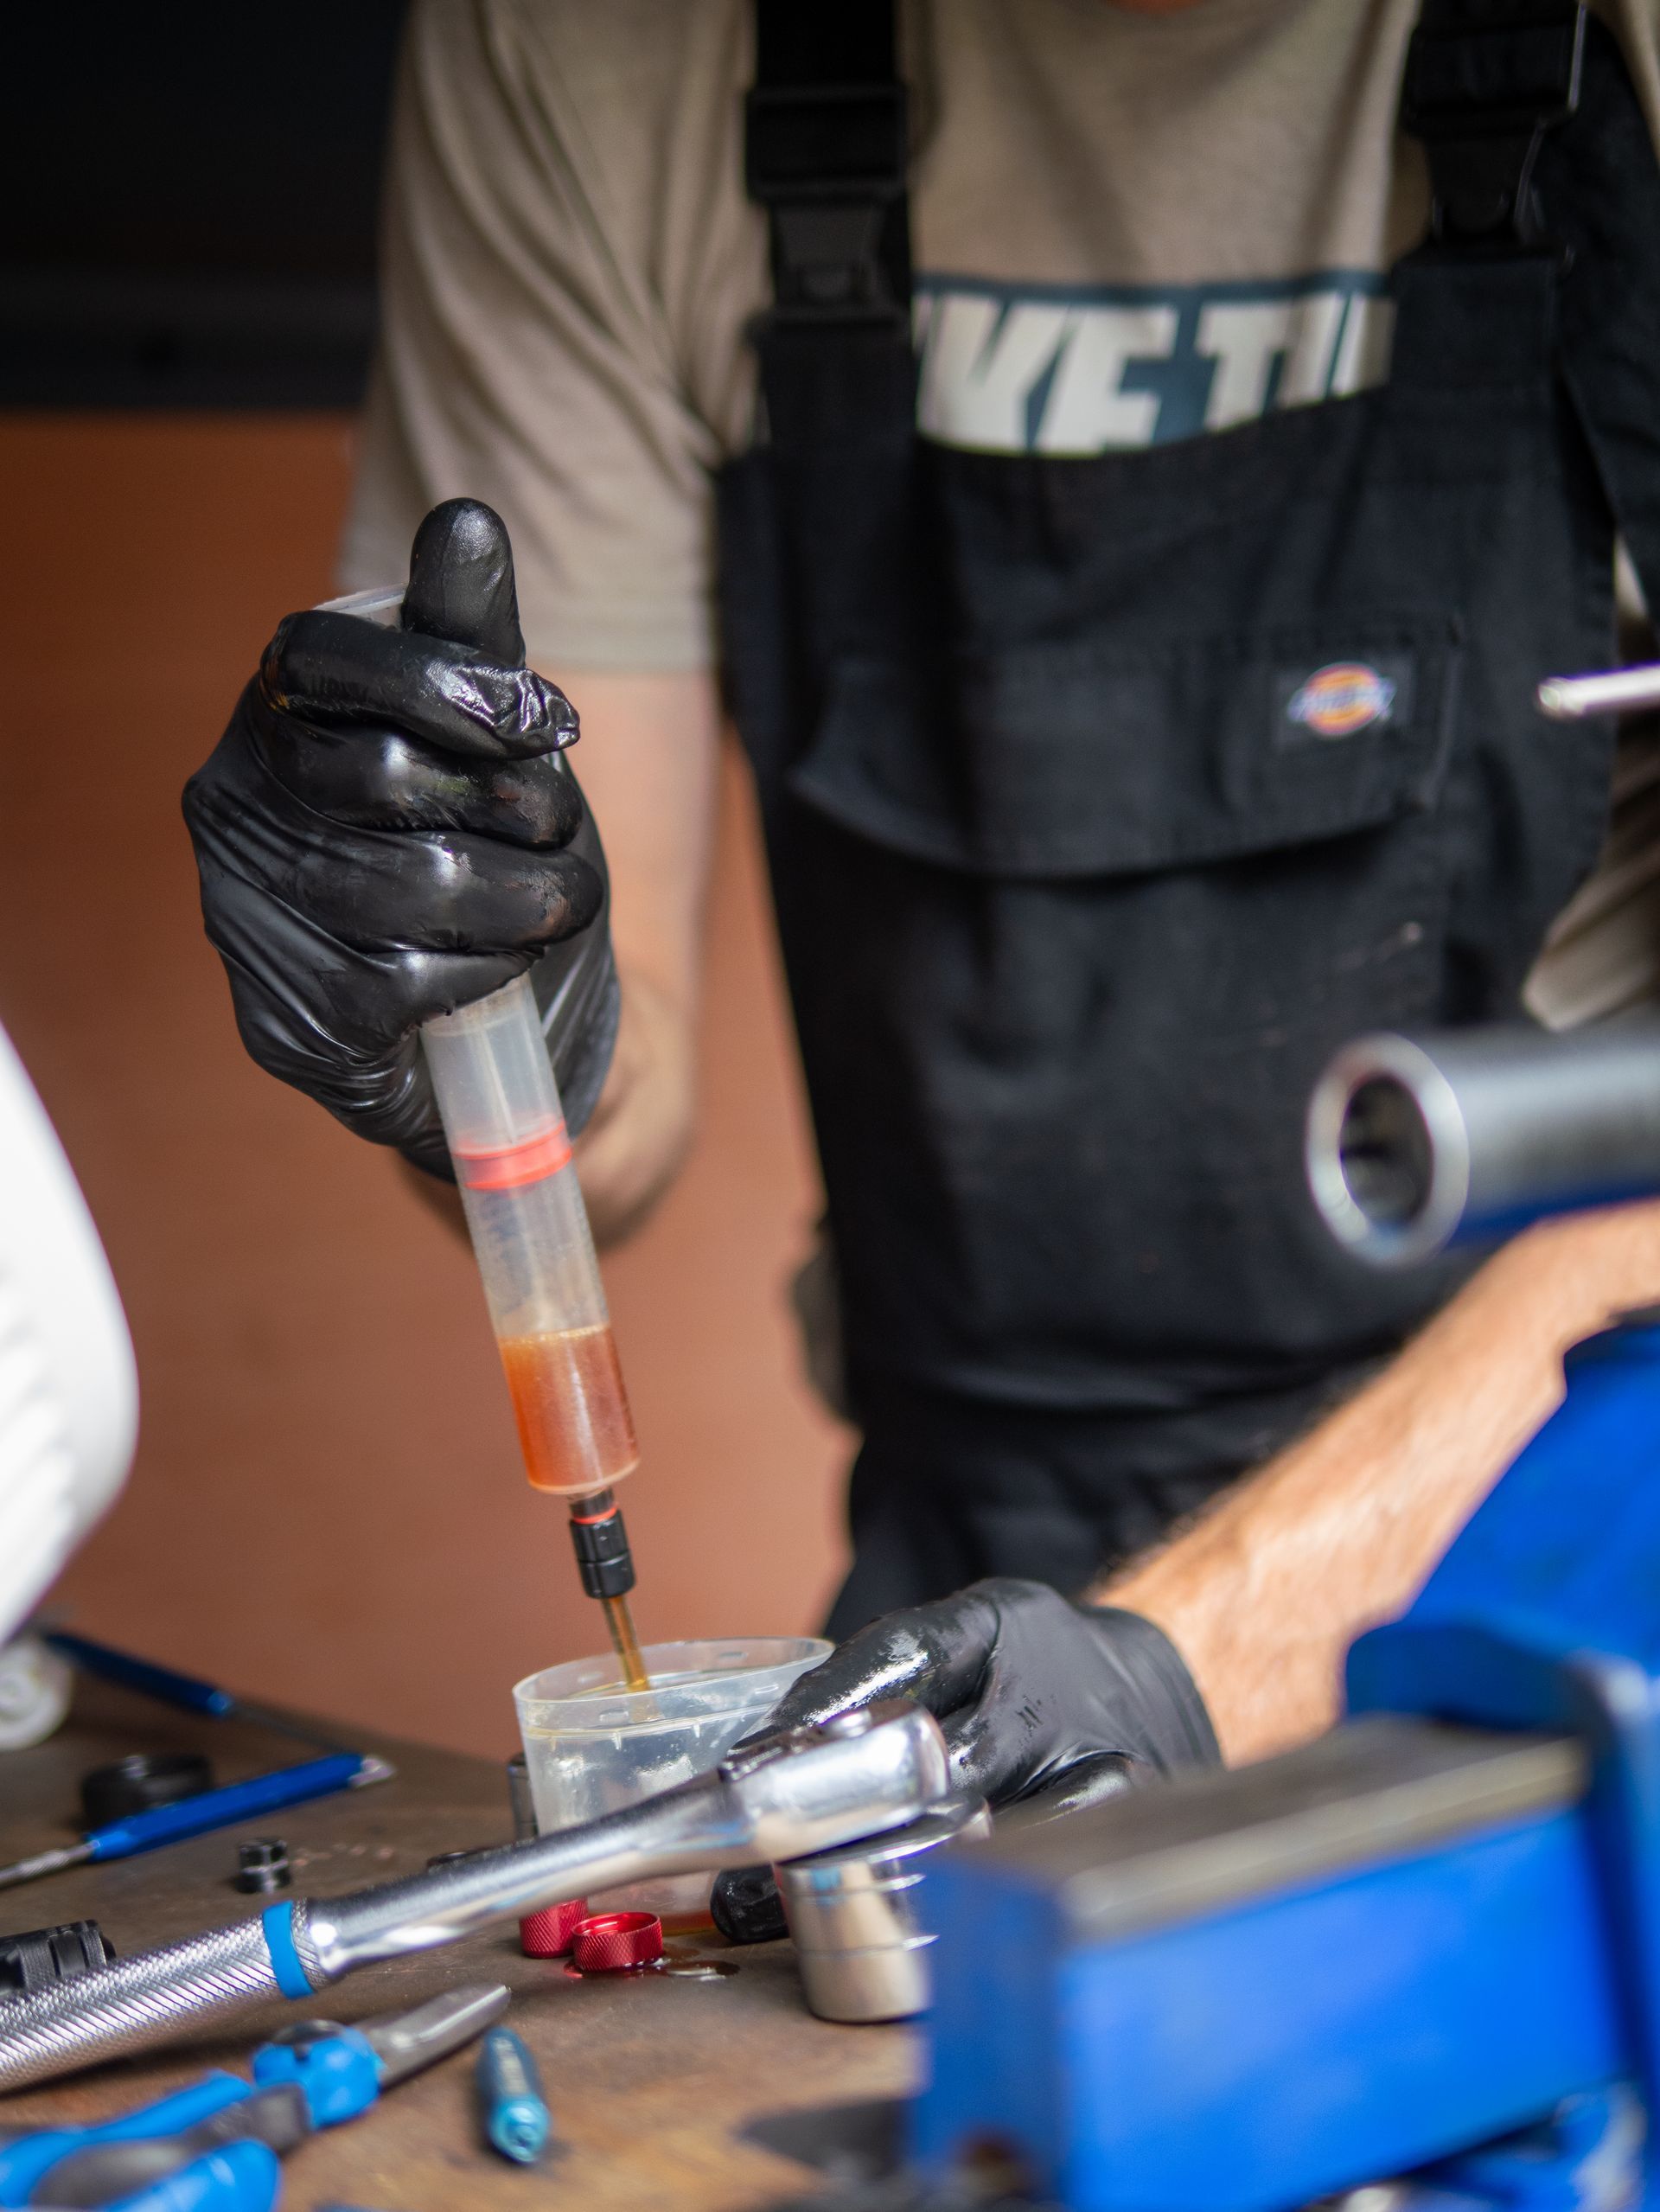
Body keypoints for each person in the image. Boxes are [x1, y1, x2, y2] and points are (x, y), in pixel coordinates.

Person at [184, 0, 1660, 1848]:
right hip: (967, 1611)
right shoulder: (602, 49)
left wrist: (1187, 1667)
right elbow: (588, 1136)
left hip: (1574, 1564)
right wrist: (470, 1003)